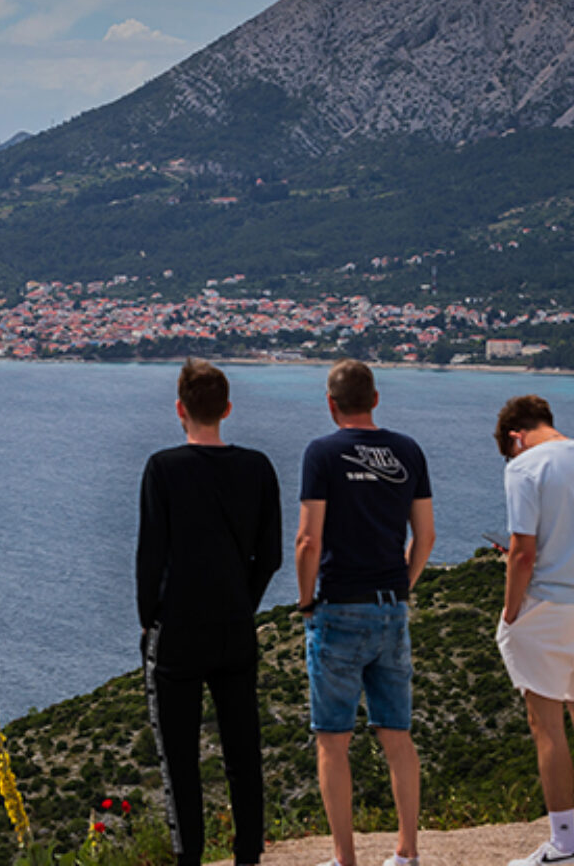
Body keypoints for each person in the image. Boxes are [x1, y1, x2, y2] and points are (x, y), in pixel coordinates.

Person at [138, 358, 284, 866]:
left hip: (178, 629)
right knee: (243, 750)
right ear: (227, 409)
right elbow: (270, 556)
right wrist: (243, 602)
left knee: (179, 759)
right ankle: (248, 857)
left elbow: (150, 554)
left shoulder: (163, 468)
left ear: (180, 409)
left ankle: (191, 860)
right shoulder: (258, 468)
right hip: (234, 628)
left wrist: (148, 618)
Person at [295, 359, 435, 866]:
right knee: (397, 735)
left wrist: (306, 601)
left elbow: (308, 540)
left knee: (333, 741)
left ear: (330, 404)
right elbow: (426, 536)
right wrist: (402, 587)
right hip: (390, 608)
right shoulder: (408, 450)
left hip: (339, 607)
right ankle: (407, 852)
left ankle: (345, 858)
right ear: (375, 399)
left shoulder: (322, 453)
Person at [493, 395, 574, 866]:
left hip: (547, 609)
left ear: (516, 437)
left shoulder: (524, 468)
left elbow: (523, 552)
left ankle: (563, 844)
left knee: (546, 726)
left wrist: (511, 612)